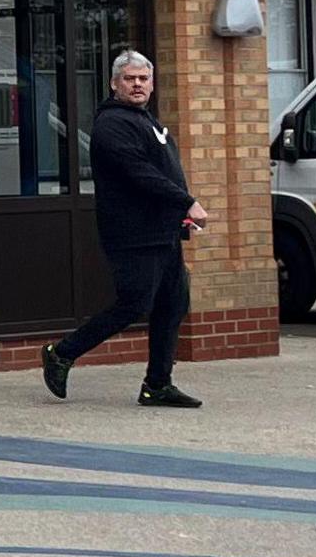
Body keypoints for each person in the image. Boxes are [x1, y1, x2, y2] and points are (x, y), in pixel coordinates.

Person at [41, 49, 211, 408]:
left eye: (143, 79)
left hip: (162, 231)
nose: (137, 85)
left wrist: (176, 212)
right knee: (134, 304)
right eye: (130, 79)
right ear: (114, 84)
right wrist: (185, 201)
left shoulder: (144, 119)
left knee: (172, 304)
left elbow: (162, 171)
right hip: (133, 235)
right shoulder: (113, 124)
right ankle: (61, 352)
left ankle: (157, 385)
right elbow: (139, 173)